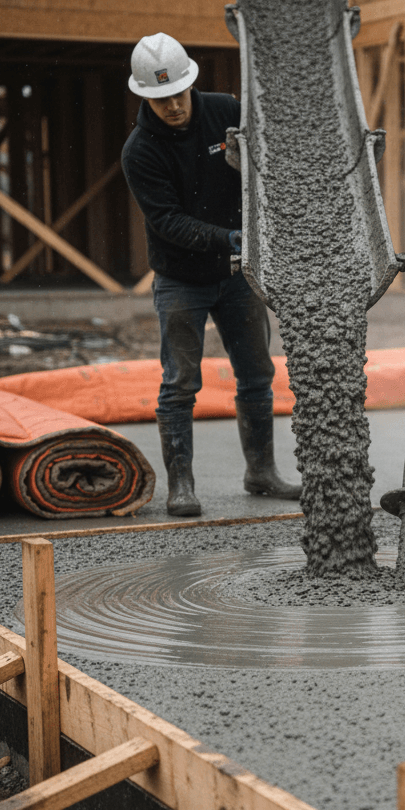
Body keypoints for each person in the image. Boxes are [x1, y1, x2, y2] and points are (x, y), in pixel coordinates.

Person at [121, 32, 300, 516]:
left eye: (178, 94)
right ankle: (181, 486)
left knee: (257, 373)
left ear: (190, 84)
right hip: (181, 277)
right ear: (145, 96)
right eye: (161, 99)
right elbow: (167, 221)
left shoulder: (226, 111)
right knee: (180, 381)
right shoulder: (140, 151)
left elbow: (267, 157)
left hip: (239, 274)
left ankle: (261, 472)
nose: (174, 106)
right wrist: (228, 237)